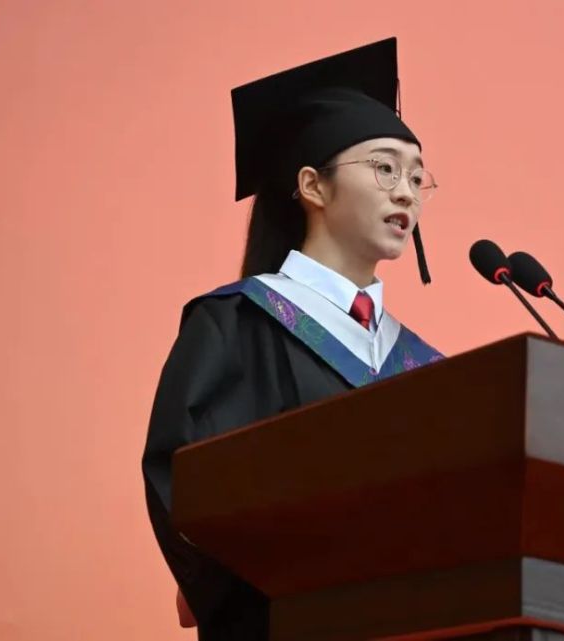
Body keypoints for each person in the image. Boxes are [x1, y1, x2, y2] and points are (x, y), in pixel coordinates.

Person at [141, 38, 442, 640]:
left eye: (416, 176)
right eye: (384, 167)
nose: (406, 192)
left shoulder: (424, 367)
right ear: (313, 186)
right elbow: (185, 483)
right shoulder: (237, 324)